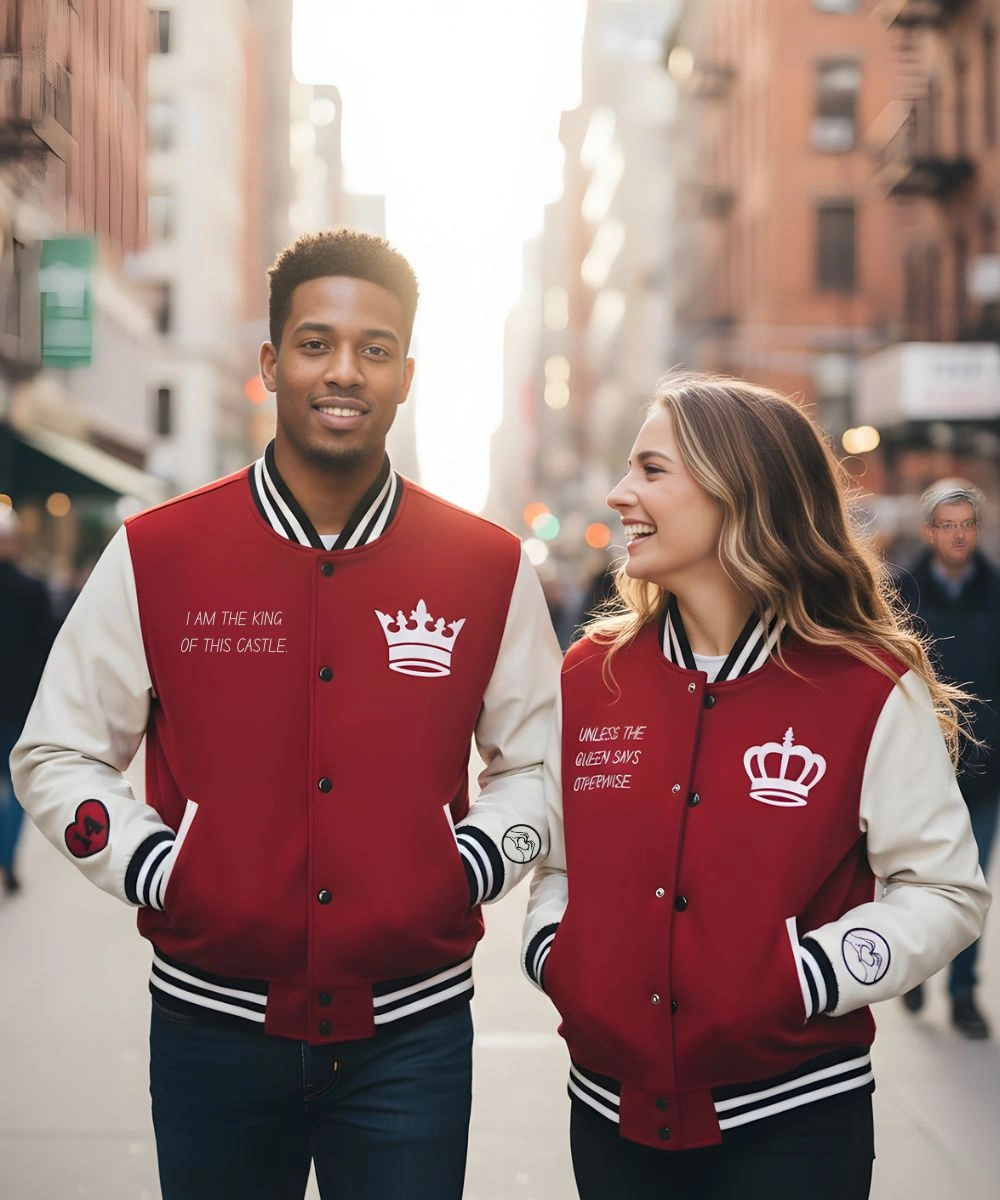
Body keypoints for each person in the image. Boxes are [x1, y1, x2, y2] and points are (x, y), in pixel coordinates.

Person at [12, 228, 561, 1200]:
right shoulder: (159, 551)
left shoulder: (486, 566)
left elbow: (539, 764)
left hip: (413, 1037)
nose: (342, 370)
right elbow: (58, 750)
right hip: (208, 1033)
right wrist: (154, 862)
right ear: (269, 364)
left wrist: (471, 861)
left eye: (374, 349)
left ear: (405, 375)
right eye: (314, 343)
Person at [521, 373, 990, 1200]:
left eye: (652, 470)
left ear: (740, 493)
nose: (621, 493)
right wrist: (558, 956)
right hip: (606, 1112)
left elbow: (945, 890)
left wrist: (808, 974)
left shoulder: (868, 683)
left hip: (794, 1124)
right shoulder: (591, 673)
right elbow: (560, 866)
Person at [895, 479, 1000, 1039]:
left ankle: (963, 993)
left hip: (985, 771)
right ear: (929, 531)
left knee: (971, 884)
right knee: (912, 877)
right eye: (947, 525)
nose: (958, 535)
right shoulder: (899, 595)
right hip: (917, 769)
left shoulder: (997, 591)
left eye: (967, 524)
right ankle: (913, 970)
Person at [0, 505, 56, 895]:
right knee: (17, 787)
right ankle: (6, 857)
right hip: (18, 704)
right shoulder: (33, 588)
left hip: (17, 704)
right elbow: (49, 649)